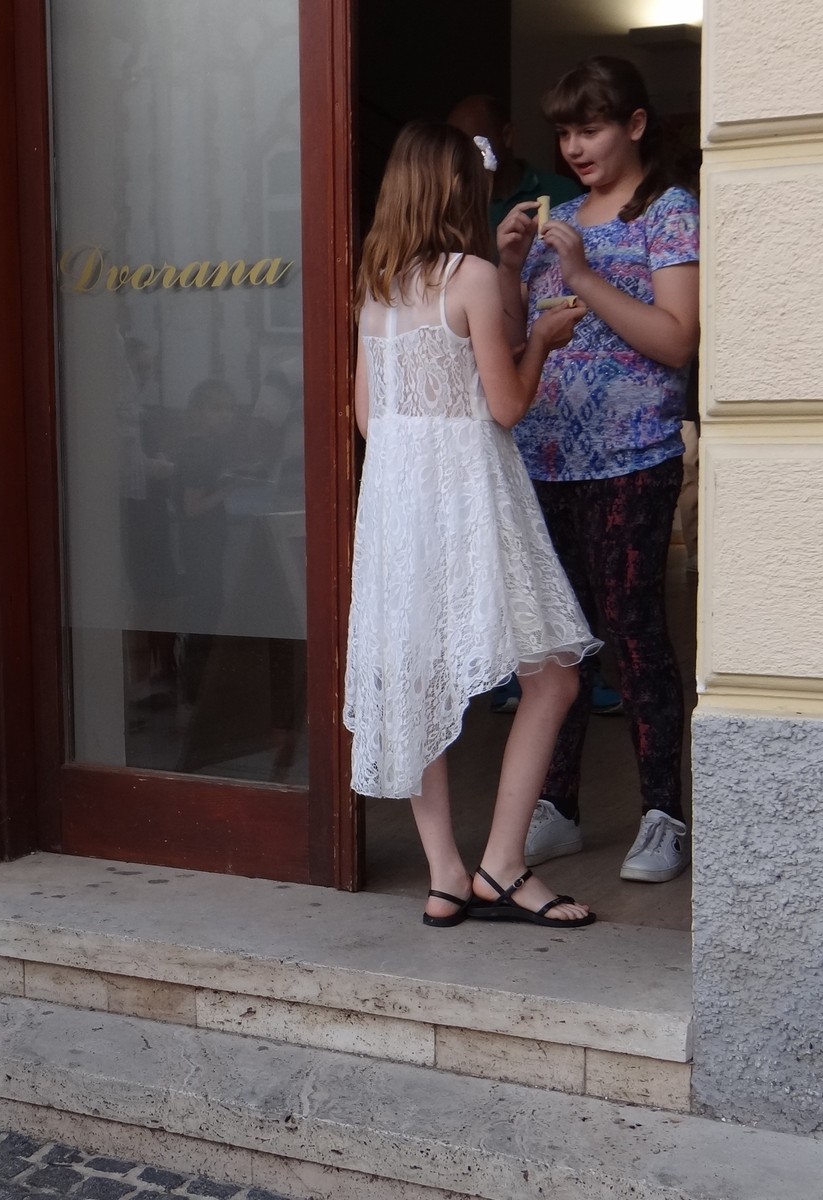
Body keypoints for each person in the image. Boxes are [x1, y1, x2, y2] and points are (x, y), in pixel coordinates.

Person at [345, 121, 601, 930]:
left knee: (416, 679)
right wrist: (545, 343)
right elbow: (509, 404)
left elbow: (363, 417)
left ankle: (446, 875)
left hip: (394, 499)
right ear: (465, 189)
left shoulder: (377, 286)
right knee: (554, 673)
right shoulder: (474, 278)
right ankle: (501, 863)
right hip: (468, 493)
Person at [494, 57, 700, 883]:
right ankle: (559, 805)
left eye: (592, 128)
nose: (576, 146)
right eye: (567, 132)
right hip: (546, 458)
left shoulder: (669, 212)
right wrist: (510, 268)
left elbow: (676, 340)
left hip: (632, 459)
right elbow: (513, 342)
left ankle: (663, 813)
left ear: (636, 125)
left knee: (635, 633)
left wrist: (582, 274)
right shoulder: (562, 216)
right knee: (558, 642)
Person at [448, 94, 581, 231]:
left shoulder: (562, 192)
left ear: (507, 136)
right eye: (458, 149)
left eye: (476, 145)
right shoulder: (455, 204)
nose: (463, 158)